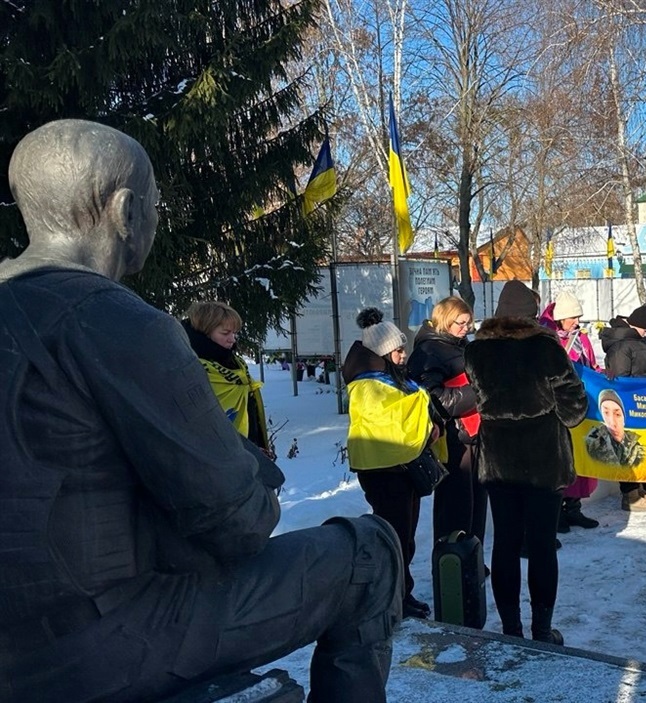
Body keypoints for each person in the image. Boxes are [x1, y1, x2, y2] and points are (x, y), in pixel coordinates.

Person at [0, 120, 401, 701]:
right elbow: (238, 525)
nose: (158, 222)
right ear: (126, 210)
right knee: (370, 552)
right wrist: (251, 467)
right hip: (98, 645)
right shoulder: (121, 323)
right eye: (156, 206)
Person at [464, 280, 588, 644]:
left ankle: (511, 629)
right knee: (541, 546)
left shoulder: (477, 352)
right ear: (532, 314)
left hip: (498, 461)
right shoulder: (546, 347)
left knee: (504, 544)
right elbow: (575, 407)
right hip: (544, 461)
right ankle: (541, 630)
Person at [344, 307, 440, 621]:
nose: (403, 355)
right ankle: (391, 597)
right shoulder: (367, 384)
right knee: (394, 536)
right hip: (384, 471)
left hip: (399, 467)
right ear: (384, 352)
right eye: (398, 350)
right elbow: (390, 419)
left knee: (405, 536)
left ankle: (401, 592)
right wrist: (424, 415)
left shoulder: (388, 377)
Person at [408, 297, 489, 547]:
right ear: (445, 320)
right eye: (460, 323)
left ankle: (471, 557)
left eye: (469, 323)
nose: (466, 328)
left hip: (473, 434)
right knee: (455, 504)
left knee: (476, 500)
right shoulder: (429, 351)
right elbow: (434, 399)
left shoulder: (461, 345)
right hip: (452, 437)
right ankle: (451, 560)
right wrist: (479, 392)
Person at [540, 290, 601, 531]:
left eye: (578, 316)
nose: (576, 321)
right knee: (561, 460)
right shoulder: (548, 337)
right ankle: (558, 512)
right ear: (560, 318)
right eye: (572, 317)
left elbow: (592, 366)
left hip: (579, 406)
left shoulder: (581, 338)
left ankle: (574, 508)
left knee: (579, 457)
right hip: (556, 408)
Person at [182, 300, 273, 457]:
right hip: (212, 461)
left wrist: (255, 446)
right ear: (205, 333)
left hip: (246, 453)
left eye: (234, 333)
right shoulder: (191, 369)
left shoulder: (236, 363)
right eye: (225, 333)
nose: (232, 339)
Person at [601, 306, 646, 510]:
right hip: (629, 404)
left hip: (640, 402)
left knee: (639, 446)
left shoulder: (635, 342)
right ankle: (629, 495)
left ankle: (639, 488)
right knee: (627, 449)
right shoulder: (622, 346)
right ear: (639, 326)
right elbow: (621, 379)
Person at [584, 389, 645, 467]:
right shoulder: (592, 443)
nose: (612, 422)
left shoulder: (638, 449)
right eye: (606, 413)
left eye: (617, 414)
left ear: (624, 419)